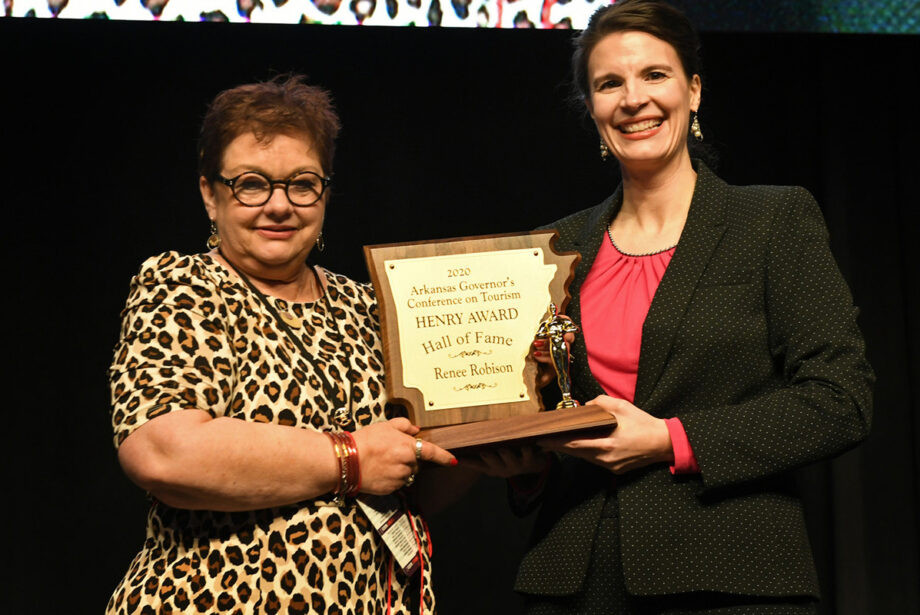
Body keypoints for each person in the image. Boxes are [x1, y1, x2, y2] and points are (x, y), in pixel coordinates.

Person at [479, 1, 874, 613]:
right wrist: (528, 465)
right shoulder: (553, 248)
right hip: (574, 581)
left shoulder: (772, 220)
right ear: (592, 110)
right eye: (610, 83)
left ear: (694, 90)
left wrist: (671, 440)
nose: (633, 98)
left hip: (730, 577)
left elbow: (841, 399)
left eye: (654, 75)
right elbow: (550, 410)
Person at [106, 75, 456, 615]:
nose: (279, 205)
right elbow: (163, 453)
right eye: (251, 184)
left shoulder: (369, 306)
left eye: (302, 183)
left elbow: (405, 485)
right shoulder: (182, 285)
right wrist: (351, 457)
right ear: (209, 195)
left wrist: (490, 452)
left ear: (325, 192)